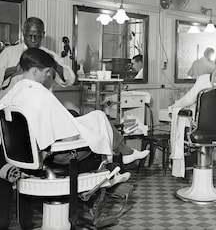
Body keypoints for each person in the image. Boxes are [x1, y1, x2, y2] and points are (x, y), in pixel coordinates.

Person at [0, 48, 149, 229]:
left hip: (22, 159)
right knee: (99, 124)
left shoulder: (12, 94)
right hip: (57, 158)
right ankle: (110, 172)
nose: (47, 77)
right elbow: (68, 135)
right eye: (47, 72)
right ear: (35, 70)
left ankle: (119, 162)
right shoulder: (39, 95)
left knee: (96, 119)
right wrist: (82, 132)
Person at [169, 52, 216, 177]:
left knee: (181, 122)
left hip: (201, 129)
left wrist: (175, 106)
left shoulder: (203, 80)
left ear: (213, 63)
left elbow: (188, 100)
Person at [0, 17, 75, 98]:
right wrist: (13, 70)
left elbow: (71, 79)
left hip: (40, 106)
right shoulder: (8, 53)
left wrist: (54, 64)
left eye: (37, 36)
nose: (33, 40)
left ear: (43, 34)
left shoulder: (49, 55)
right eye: (29, 36)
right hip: (12, 105)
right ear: (23, 33)